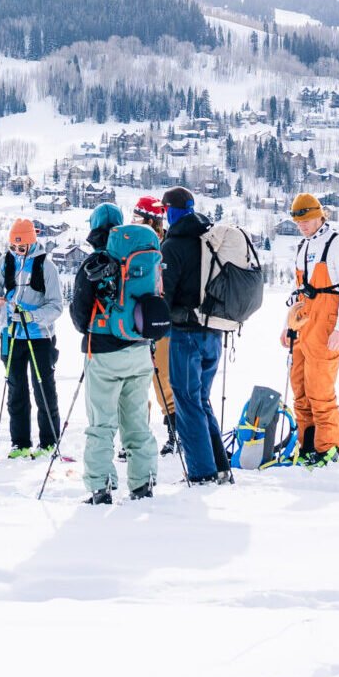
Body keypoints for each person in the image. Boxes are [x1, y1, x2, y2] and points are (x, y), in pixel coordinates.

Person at [70, 202, 162, 504]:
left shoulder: (94, 263)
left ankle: (101, 487)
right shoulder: (138, 258)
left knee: (101, 423)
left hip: (105, 353)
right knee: (136, 421)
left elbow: (80, 317)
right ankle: (143, 483)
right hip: (139, 350)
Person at [158, 186, 232, 486]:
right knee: (200, 399)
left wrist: (155, 325)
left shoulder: (173, 245)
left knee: (187, 400)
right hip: (214, 329)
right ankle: (220, 466)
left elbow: (167, 294)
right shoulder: (208, 237)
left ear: (170, 211)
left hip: (186, 332)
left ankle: (202, 472)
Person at [284, 192, 339, 466]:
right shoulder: (303, 247)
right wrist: (287, 326)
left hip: (327, 324)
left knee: (320, 389)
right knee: (300, 388)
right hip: (304, 323)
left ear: (320, 215)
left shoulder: (338, 245)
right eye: (298, 221)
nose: (302, 225)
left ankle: (329, 446)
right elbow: (298, 292)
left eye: (307, 219)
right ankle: (307, 445)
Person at [0, 217, 61, 458]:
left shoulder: (47, 267)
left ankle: (48, 442)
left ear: (31, 243)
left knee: (43, 389)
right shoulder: (3, 263)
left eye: (21, 247)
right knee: (16, 390)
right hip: (11, 335)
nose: (17, 251)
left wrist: (32, 316)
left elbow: (56, 307)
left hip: (39, 337)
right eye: (13, 246)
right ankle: (20, 443)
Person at [132, 194, 179, 455]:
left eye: (138, 217)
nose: (133, 221)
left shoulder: (164, 246)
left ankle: (175, 433)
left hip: (161, 321)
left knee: (163, 379)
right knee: (137, 381)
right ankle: (137, 436)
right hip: (137, 322)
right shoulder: (134, 245)